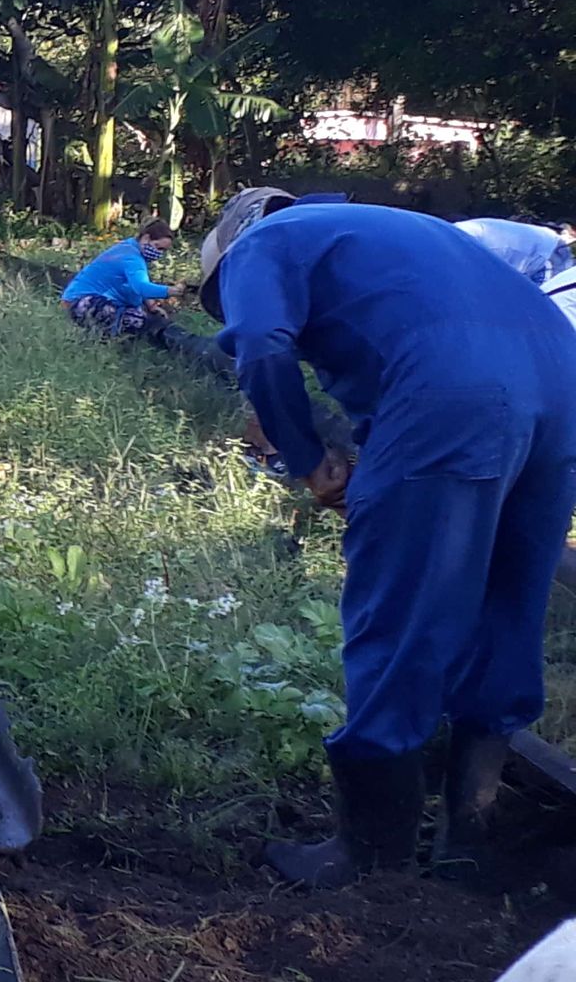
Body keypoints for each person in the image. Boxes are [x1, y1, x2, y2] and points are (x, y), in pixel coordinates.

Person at [198, 189, 576, 888]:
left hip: (455, 389)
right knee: (508, 602)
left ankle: (373, 857)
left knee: (400, 609)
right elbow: (409, 332)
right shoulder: (403, 233)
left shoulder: (259, 245)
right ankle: (472, 838)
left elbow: (260, 345)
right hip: (563, 378)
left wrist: (309, 461)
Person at [59, 219, 185, 335]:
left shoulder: (127, 247)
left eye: (163, 251)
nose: (159, 253)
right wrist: (170, 291)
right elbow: (141, 287)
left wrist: (151, 305)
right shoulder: (132, 258)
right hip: (82, 303)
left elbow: (133, 283)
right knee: (138, 321)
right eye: (158, 247)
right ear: (146, 238)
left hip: (73, 300)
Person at [457, 217, 574, 285]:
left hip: (549, 253)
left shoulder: (467, 248)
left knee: (543, 306)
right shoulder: (449, 233)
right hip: (534, 246)